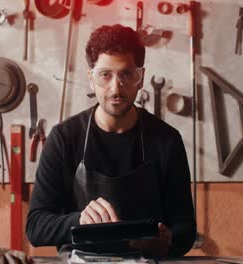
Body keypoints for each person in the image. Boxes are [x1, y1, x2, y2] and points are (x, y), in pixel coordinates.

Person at [26, 24, 196, 258]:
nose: (116, 88)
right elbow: (35, 227)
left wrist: (167, 241)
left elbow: (186, 229)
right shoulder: (64, 139)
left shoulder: (166, 141)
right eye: (105, 75)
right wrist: (80, 220)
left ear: (141, 77)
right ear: (90, 77)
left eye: (126, 74)